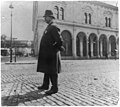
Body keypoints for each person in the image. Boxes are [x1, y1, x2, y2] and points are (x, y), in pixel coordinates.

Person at [37, 10, 64, 95]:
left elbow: (59, 41)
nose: (45, 18)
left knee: (52, 71)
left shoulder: (53, 27)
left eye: (46, 17)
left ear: (50, 17)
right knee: (47, 70)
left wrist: (52, 48)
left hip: (52, 54)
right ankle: (45, 85)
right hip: (47, 53)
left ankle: (54, 88)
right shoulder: (49, 26)